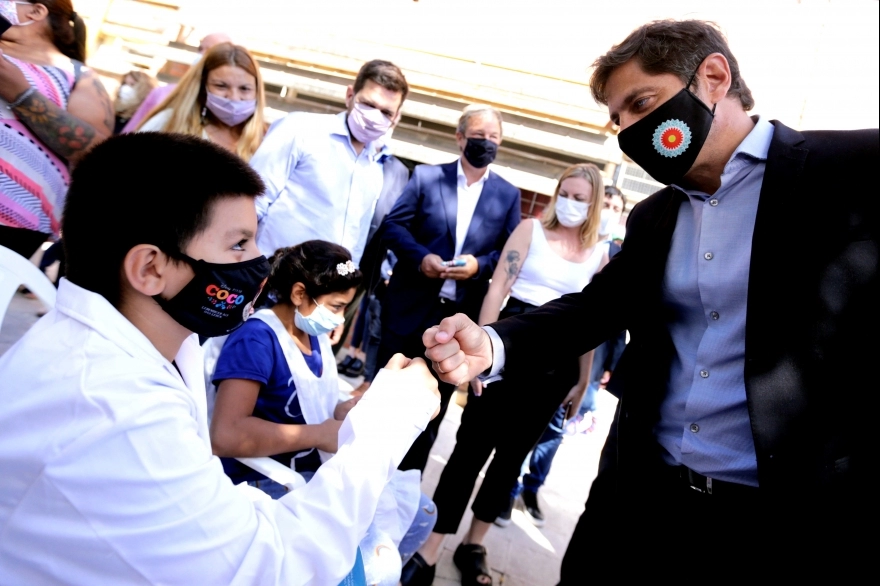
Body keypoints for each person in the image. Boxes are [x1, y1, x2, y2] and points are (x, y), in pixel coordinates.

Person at [422, 19, 878, 580]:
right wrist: (491, 343)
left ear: (712, 76)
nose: (630, 130)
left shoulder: (855, 170)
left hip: (778, 521)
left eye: (642, 103)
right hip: (637, 496)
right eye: (619, 118)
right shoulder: (654, 215)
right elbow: (594, 309)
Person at [0, 132, 441, 585]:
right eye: (239, 245)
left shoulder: (145, 349)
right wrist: (389, 424)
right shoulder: (114, 411)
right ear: (151, 268)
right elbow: (271, 570)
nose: (259, 262)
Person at [402, 164, 609, 586]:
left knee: (511, 459)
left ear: (595, 203)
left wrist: (582, 380)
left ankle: (473, 545)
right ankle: (433, 544)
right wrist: (480, 351)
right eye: (564, 192)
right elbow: (497, 288)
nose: (570, 202)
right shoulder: (531, 230)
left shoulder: (599, 254)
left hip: (558, 364)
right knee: (469, 449)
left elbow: (591, 323)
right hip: (508, 344)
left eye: (580, 197)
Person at [210, 240, 437, 585]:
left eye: (346, 307)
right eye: (335, 306)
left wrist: (348, 408)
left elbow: (311, 401)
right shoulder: (256, 340)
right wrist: (320, 433)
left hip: (311, 467)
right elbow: (225, 435)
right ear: (300, 294)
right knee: (379, 566)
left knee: (422, 513)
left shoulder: (310, 336)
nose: (340, 318)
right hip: (264, 480)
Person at [378, 104, 522, 474]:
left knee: (430, 412)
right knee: (384, 397)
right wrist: (421, 258)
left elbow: (509, 253)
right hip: (410, 307)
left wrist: (479, 265)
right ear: (460, 138)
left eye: (494, 137)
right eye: (479, 136)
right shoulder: (427, 178)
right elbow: (394, 227)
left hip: (458, 321)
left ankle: (406, 487)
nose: (486, 143)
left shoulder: (508, 194)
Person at [250, 59, 409, 267]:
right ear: (350, 96)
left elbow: (356, 237)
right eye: (368, 104)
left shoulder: (376, 166)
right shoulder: (300, 129)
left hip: (323, 294)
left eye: (386, 112)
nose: (374, 116)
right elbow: (252, 202)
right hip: (267, 280)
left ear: (396, 116)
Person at [0, 0, 112, 258]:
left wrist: (21, 93)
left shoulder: (76, 75)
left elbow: (97, 153)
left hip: (15, 221)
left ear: (36, 11)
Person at [565, 185, 628, 434]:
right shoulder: (572, 240)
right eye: (606, 205)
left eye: (616, 209)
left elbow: (619, 318)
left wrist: (612, 363)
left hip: (594, 355)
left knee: (569, 422)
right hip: (560, 338)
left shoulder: (620, 254)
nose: (609, 212)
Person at [137, 42, 265, 161]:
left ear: (257, 91)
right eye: (221, 86)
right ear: (202, 87)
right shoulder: (168, 122)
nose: (234, 97)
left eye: (244, 89)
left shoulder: (265, 143)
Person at [120, 31, 231, 133]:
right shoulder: (163, 93)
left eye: (211, 50)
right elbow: (132, 130)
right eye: (200, 49)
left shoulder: (230, 105)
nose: (202, 54)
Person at [112, 69, 156, 134]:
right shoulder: (112, 111)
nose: (125, 88)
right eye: (124, 84)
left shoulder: (144, 120)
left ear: (144, 89)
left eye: (132, 85)